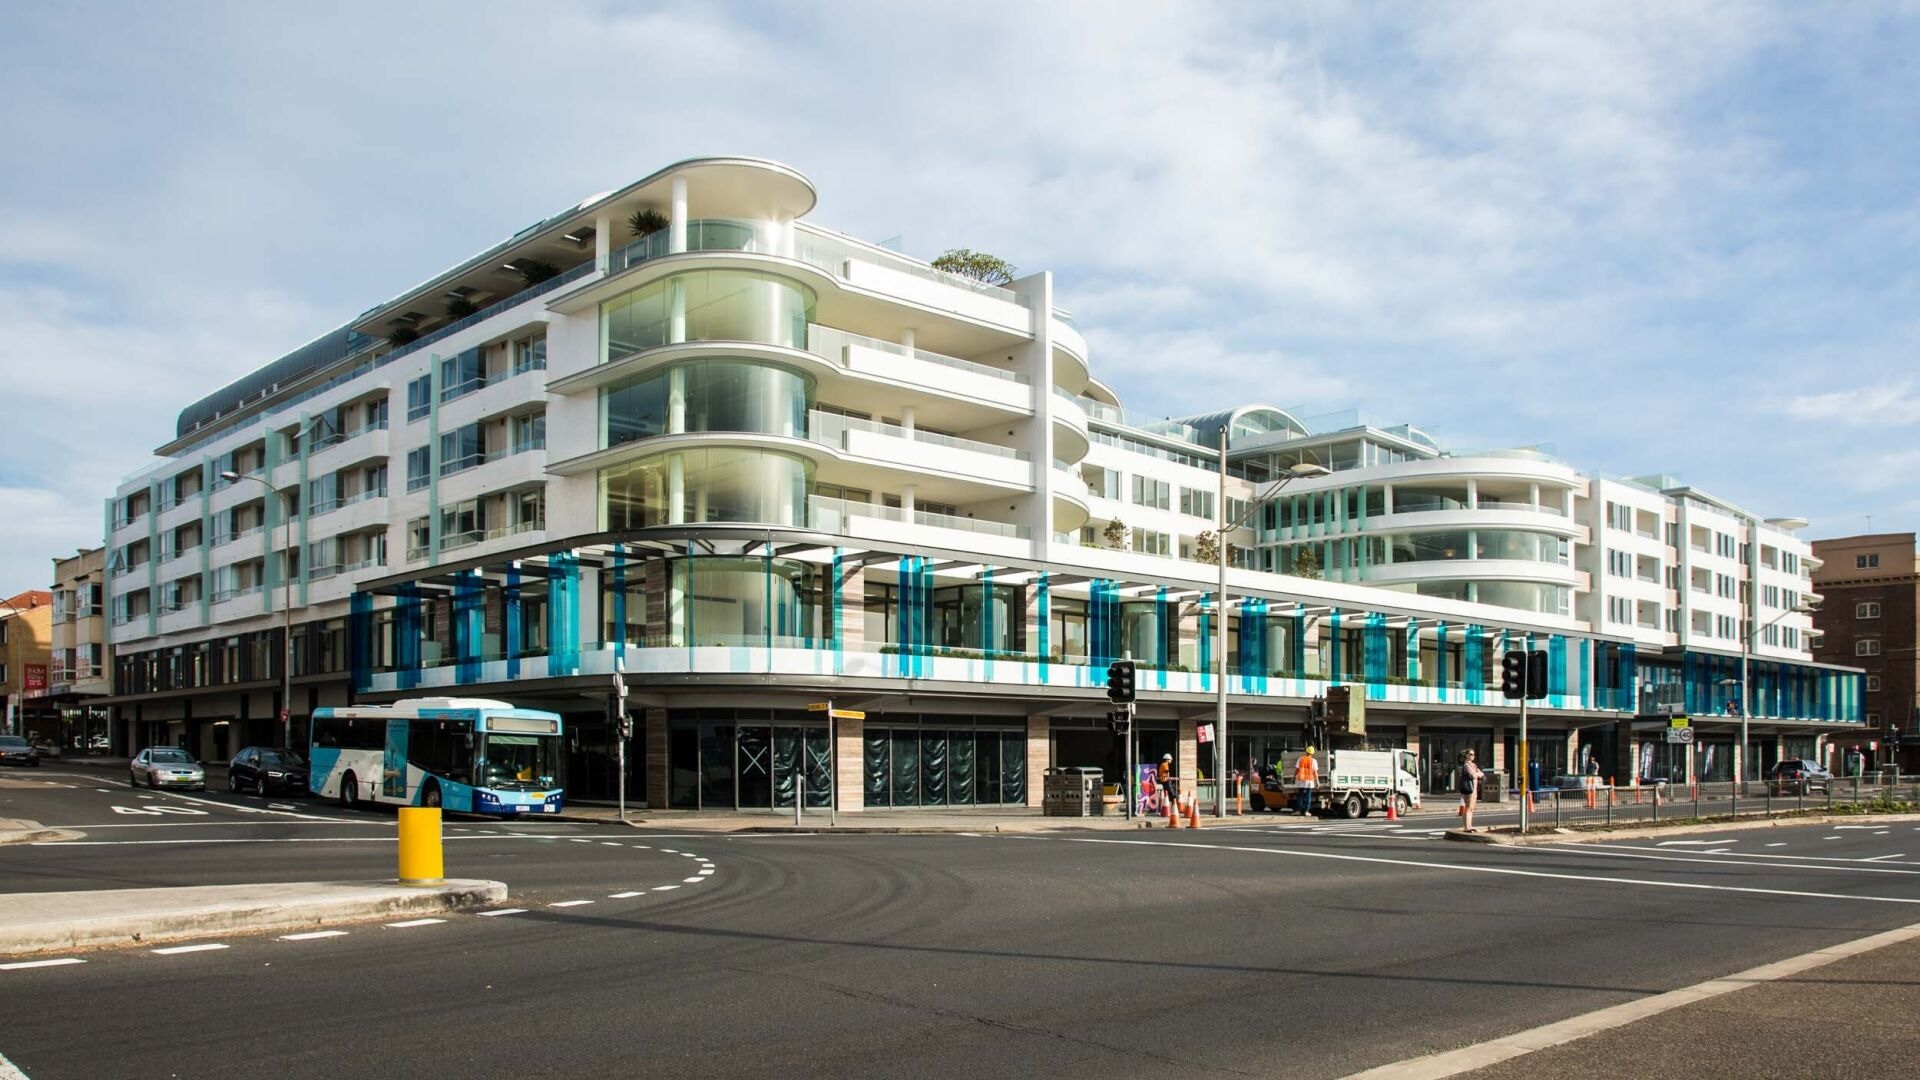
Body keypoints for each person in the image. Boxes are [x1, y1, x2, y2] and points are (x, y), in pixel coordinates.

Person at [1457, 749, 1484, 831]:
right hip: (1469, 788)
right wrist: (1477, 774)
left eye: (1473, 754)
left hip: (1474, 789)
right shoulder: (1466, 765)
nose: (1473, 756)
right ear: (1467, 755)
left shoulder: (1474, 765)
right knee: (1468, 808)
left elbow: (1481, 774)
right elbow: (1472, 775)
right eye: (1471, 754)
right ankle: (1466, 827)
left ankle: (1470, 826)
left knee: (1472, 808)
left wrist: (1477, 774)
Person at [1293, 746, 1319, 816]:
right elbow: (1315, 773)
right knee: (1308, 796)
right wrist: (1317, 782)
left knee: (1300, 796)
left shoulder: (1300, 759)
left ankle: (1298, 811)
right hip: (1310, 781)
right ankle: (1306, 811)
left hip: (1301, 779)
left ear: (1306, 752)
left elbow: (1297, 770)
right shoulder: (1313, 761)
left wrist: (1293, 777)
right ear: (1312, 753)